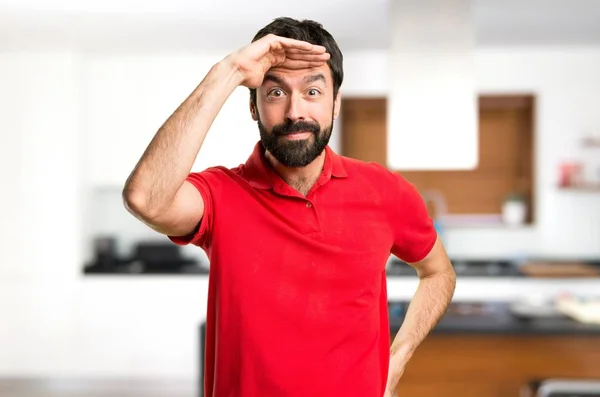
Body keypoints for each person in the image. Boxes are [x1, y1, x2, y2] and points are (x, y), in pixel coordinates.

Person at [123, 17, 456, 397]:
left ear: (336, 102)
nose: (295, 111)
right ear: (253, 106)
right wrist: (228, 71)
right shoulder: (219, 195)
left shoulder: (386, 191)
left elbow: (438, 273)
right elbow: (144, 199)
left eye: (313, 92)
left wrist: (399, 356)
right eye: (276, 93)